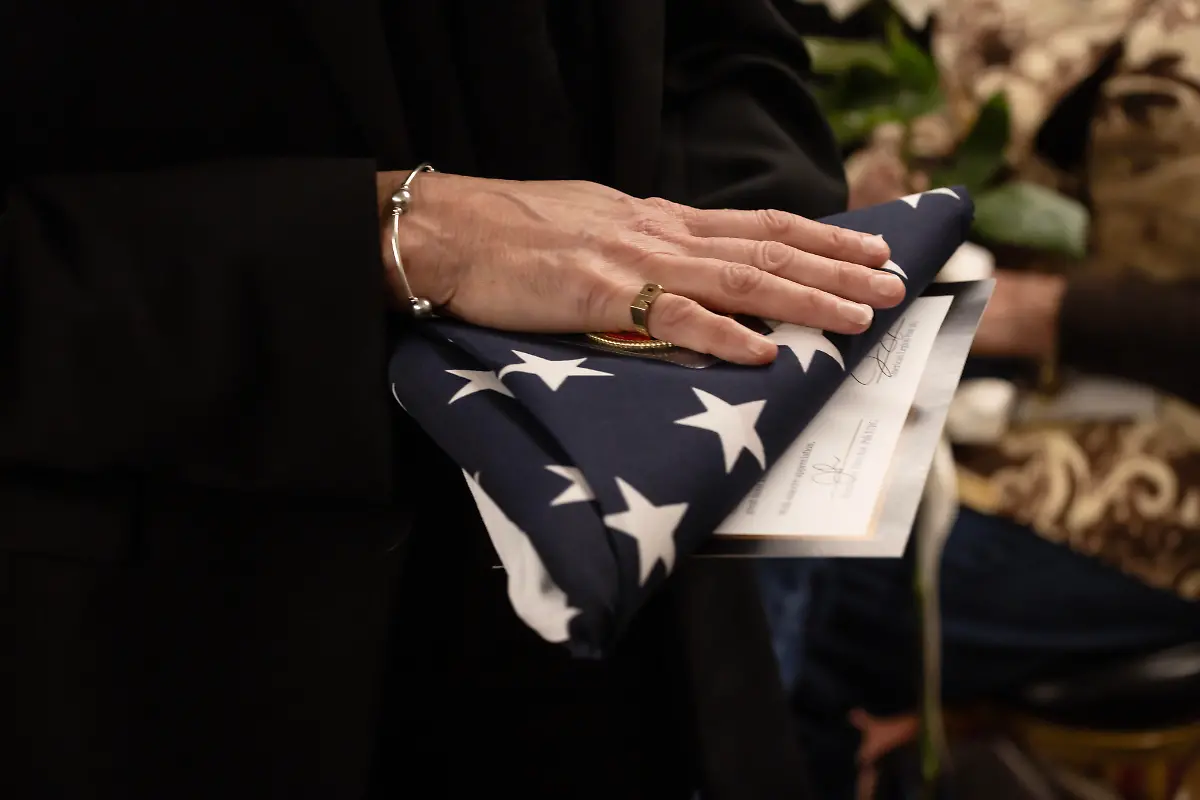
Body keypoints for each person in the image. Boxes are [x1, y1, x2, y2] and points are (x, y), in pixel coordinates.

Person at [0, 1, 909, 798]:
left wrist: (721, 252)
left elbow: (724, 52)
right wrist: (404, 235)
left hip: (632, 606)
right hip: (194, 643)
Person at [770, 1, 1200, 796]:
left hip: (1156, 486)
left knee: (794, 575)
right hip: (982, 404)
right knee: (744, 514)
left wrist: (1044, 314)